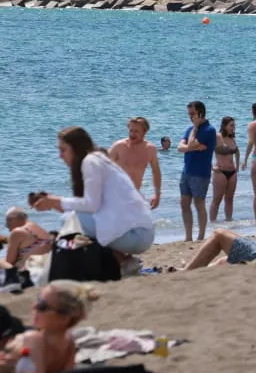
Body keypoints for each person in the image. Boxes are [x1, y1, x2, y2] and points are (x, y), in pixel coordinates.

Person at [30, 126, 156, 269]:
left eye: (63, 150)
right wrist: (53, 203)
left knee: (68, 219)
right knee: (72, 217)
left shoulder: (90, 162)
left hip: (136, 235)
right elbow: (91, 208)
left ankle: (119, 261)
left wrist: (55, 201)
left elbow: (91, 206)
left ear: (75, 148)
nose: (60, 155)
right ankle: (123, 260)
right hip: (140, 232)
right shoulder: (97, 159)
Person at [0, 281, 97, 373]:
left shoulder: (36, 340)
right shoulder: (66, 341)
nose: (34, 306)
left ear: (64, 318)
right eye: (38, 300)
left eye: (42, 306)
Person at [177, 100, 217, 242]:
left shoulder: (209, 130)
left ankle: (200, 236)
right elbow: (179, 147)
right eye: (189, 114)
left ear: (200, 113)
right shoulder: (188, 129)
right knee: (184, 203)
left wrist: (194, 132)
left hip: (200, 172)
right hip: (187, 171)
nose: (190, 116)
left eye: (193, 114)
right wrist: (191, 147)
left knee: (199, 203)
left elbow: (191, 143)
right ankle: (188, 236)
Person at [107, 117, 161, 211]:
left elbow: (156, 172)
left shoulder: (150, 149)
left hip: (135, 194)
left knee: (141, 224)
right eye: (131, 130)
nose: (132, 134)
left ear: (145, 132)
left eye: (136, 131)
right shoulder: (119, 146)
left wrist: (157, 194)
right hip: (115, 194)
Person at [2, 208, 51, 284]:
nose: (8, 228)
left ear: (12, 220)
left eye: (7, 224)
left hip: (31, 273)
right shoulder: (33, 226)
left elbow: (10, 262)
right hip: (49, 266)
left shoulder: (17, 232)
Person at [209, 116, 240, 224]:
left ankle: (229, 222)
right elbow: (206, 152)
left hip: (232, 172)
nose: (233, 128)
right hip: (220, 172)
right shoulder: (217, 137)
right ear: (224, 125)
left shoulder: (232, 138)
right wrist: (211, 167)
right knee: (217, 199)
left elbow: (237, 151)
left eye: (234, 126)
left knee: (229, 199)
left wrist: (237, 166)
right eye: (231, 125)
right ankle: (212, 224)